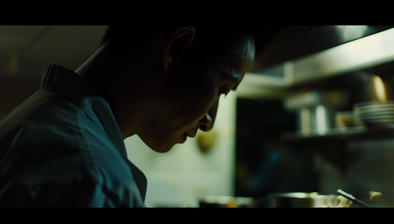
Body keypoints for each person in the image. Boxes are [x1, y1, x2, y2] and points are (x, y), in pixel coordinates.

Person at [0, 24, 284, 207]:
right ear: (176, 47)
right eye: (222, 88)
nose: (209, 122)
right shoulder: (93, 182)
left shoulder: (29, 121)